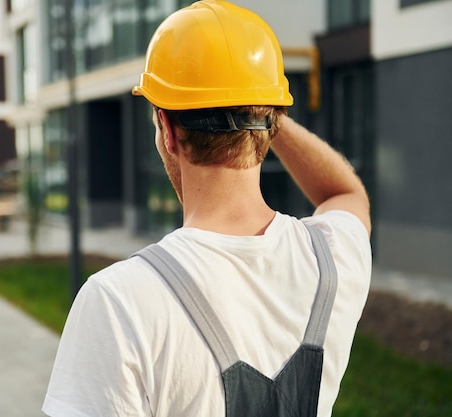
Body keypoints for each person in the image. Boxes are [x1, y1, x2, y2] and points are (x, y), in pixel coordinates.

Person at [43, 1, 371, 416]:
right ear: (270, 120)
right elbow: (346, 193)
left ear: (167, 130)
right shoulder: (332, 259)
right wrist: (265, 113)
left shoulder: (118, 302)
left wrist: (259, 111)